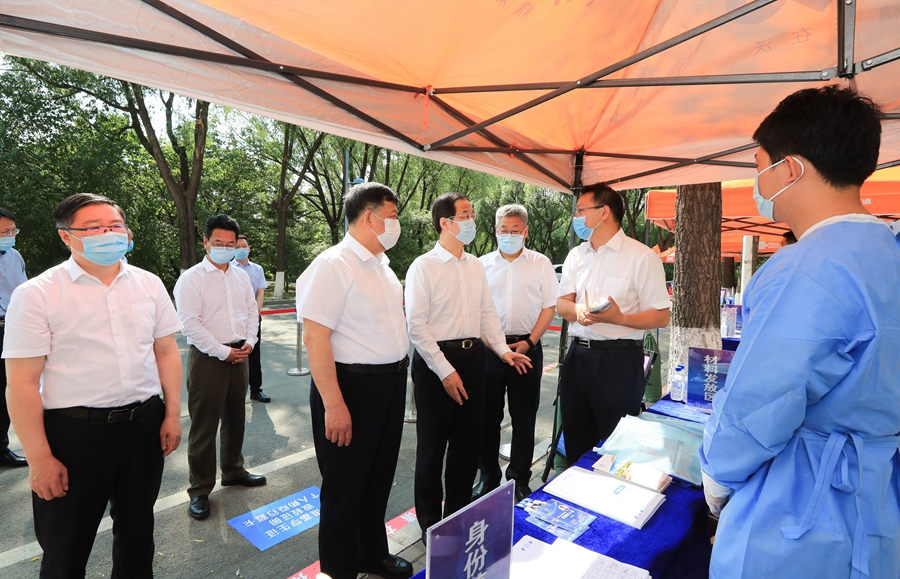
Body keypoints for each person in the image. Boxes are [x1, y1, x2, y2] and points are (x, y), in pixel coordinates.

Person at [700, 86, 900, 578]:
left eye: (759, 166)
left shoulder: (807, 268)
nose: (758, 182)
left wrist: (715, 478)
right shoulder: (888, 251)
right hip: (878, 496)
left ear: (789, 169)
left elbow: (757, 404)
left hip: (801, 511)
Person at [3, 193, 183, 577]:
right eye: (93, 228)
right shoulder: (37, 293)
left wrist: (172, 415)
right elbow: (21, 383)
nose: (107, 234)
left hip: (144, 425)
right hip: (74, 436)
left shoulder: (149, 284)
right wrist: (39, 458)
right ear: (66, 236)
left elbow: (166, 351)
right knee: (65, 549)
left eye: (114, 226)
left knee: (138, 536)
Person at [296, 182, 412, 579]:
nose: (396, 224)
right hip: (351, 388)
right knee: (344, 486)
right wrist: (334, 404)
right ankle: (340, 568)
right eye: (392, 217)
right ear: (369, 218)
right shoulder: (333, 265)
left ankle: (371, 554)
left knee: (377, 478)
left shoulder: (382, 267)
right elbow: (315, 338)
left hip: (389, 385)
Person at [405, 192, 532, 542]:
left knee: (466, 446)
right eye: (465, 214)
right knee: (432, 446)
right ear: (445, 222)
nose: (472, 220)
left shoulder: (475, 265)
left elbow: (487, 315)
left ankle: (457, 517)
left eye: (472, 214)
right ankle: (430, 524)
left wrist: (503, 352)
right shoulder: (423, 266)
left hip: (474, 357)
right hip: (435, 362)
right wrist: (445, 371)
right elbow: (417, 326)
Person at [556, 183, 670, 466]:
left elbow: (661, 316)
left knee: (617, 445)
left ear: (603, 212)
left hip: (618, 361)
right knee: (576, 440)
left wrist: (620, 319)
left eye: (581, 210)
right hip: (578, 357)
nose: (576, 217)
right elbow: (562, 305)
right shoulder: (576, 255)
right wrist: (578, 310)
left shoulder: (641, 256)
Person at [174, 214, 264, 521]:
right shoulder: (192, 279)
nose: (225, 248)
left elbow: (251, 310)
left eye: (230, 244)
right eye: (218, 243)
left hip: (240, 353)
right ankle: (200, 489)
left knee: (236, 417)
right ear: (206, 242)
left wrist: (250, 341)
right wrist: (223, 352)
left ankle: (233, 470)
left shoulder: (240, 276)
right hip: (209, 359)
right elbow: (190, 325)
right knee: (205, 425)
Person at [473, 204, 558, 503]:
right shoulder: (480, 265)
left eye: (515, 230)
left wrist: (530, 342)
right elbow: (475, 311)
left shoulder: (541, 263)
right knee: (487, 418)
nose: (508, 235)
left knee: (524, 417)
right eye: (503, 230)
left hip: (526, 349)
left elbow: (549, 307)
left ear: (525, 231)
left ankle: (519, 479)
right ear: (495, 230)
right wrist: (495, 346)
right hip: (489, 351)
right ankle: (488, 478)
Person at [0, 207, 28, 468]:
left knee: (6, 390)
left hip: (10, 329)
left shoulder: (14, 256)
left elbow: (22, 291)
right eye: (3, 232)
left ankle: (1, 448)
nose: (9, 236)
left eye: (12, 231)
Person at [234, 235, 270, 403]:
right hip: (235, 319)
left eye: (244, 246)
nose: (241, 249)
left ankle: (256, 390)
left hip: (253, 318)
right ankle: (235, 394)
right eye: (237, 247)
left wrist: (255, 312)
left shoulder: (257, 269)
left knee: (254, 355)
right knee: (235, 354)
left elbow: (260, 292)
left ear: (249, 248)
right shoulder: (227, 268)